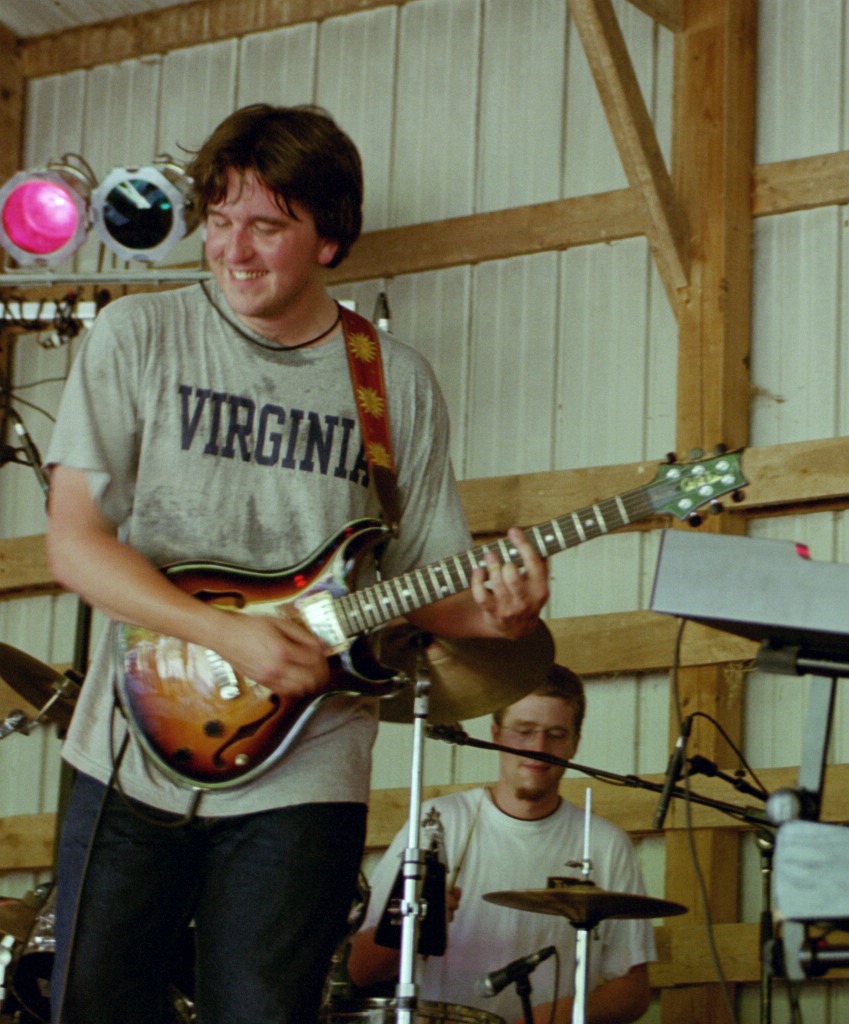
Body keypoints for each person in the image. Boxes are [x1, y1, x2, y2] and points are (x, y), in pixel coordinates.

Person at [43, 103, 550, 1024]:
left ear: (330, 240)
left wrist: (500, 615)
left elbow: (426, 583)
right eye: (220, 220)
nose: (233, 250)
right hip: (134, 742)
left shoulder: (393, 380)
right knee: (93, 1003)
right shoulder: (138, 335)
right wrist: (223, 633)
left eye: (267, 227)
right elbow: (73, 543)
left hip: (308, 762)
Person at [347, 665, 654, 1024]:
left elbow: (633, 991)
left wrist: (536, 1021)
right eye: (523, 731)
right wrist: (414, 926)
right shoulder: (437, 823)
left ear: (575, 743)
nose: (538, 748)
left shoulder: (605, 843)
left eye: (556, 734)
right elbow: (359, 971)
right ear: (495, 734)